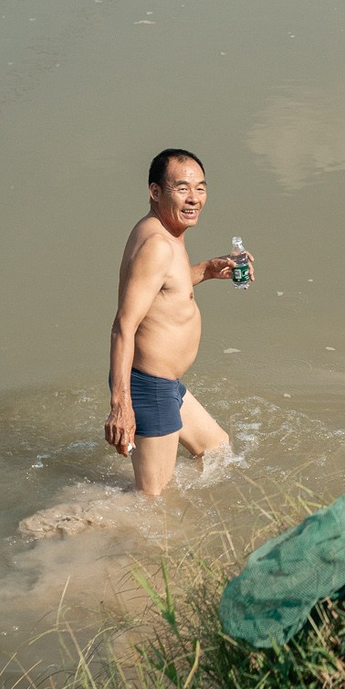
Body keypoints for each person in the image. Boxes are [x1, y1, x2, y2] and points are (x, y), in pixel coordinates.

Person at [105, 149, 243, 497]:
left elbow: (163, 287)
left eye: (200, 188)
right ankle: (70, 521)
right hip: (149, 387)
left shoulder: (164, 232)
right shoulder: (158, 245)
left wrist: (206, 270)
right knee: (152, 503)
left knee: (217, 451)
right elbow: (123, 325)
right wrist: (121, 405)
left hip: (164, 384)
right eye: (182, 188)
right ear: (156, 192)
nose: (194, 198)